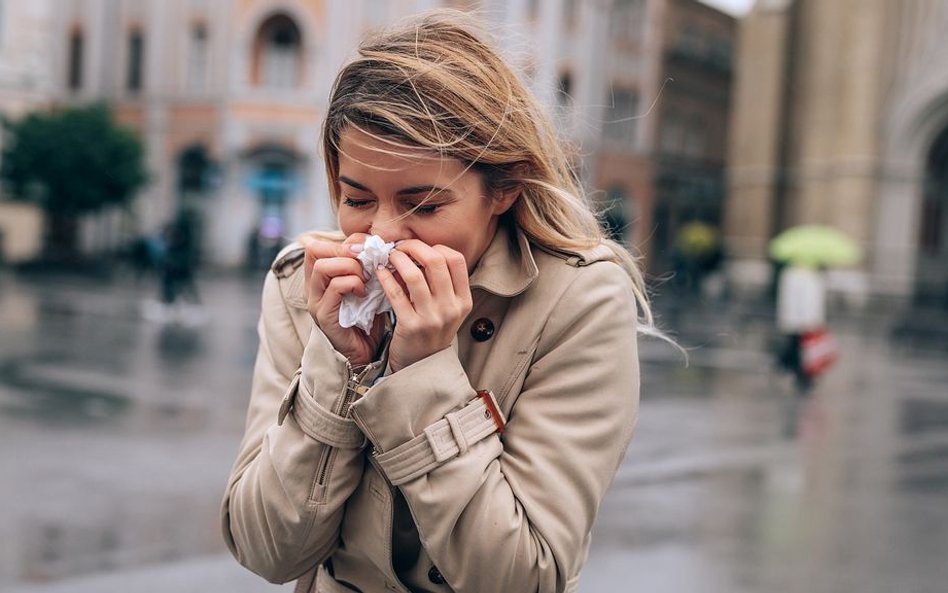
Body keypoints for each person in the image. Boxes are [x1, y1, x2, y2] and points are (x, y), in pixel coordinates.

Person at [221, 11, 656, 593]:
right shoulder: (304, 283)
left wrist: (424, 373)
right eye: (356, 198)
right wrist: (337, 366)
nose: (383, 235)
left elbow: (523, 577)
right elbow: (265, 550)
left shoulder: (580, 300)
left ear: (503, 189)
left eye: (423, 206)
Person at [775, 262, 827, 394]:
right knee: (803, 350)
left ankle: (790, 367)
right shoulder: (813, 277)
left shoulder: (790, 274)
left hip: (796, 322)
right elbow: (814, 304)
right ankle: (799, 373)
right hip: (806, 322)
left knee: (798, 347)